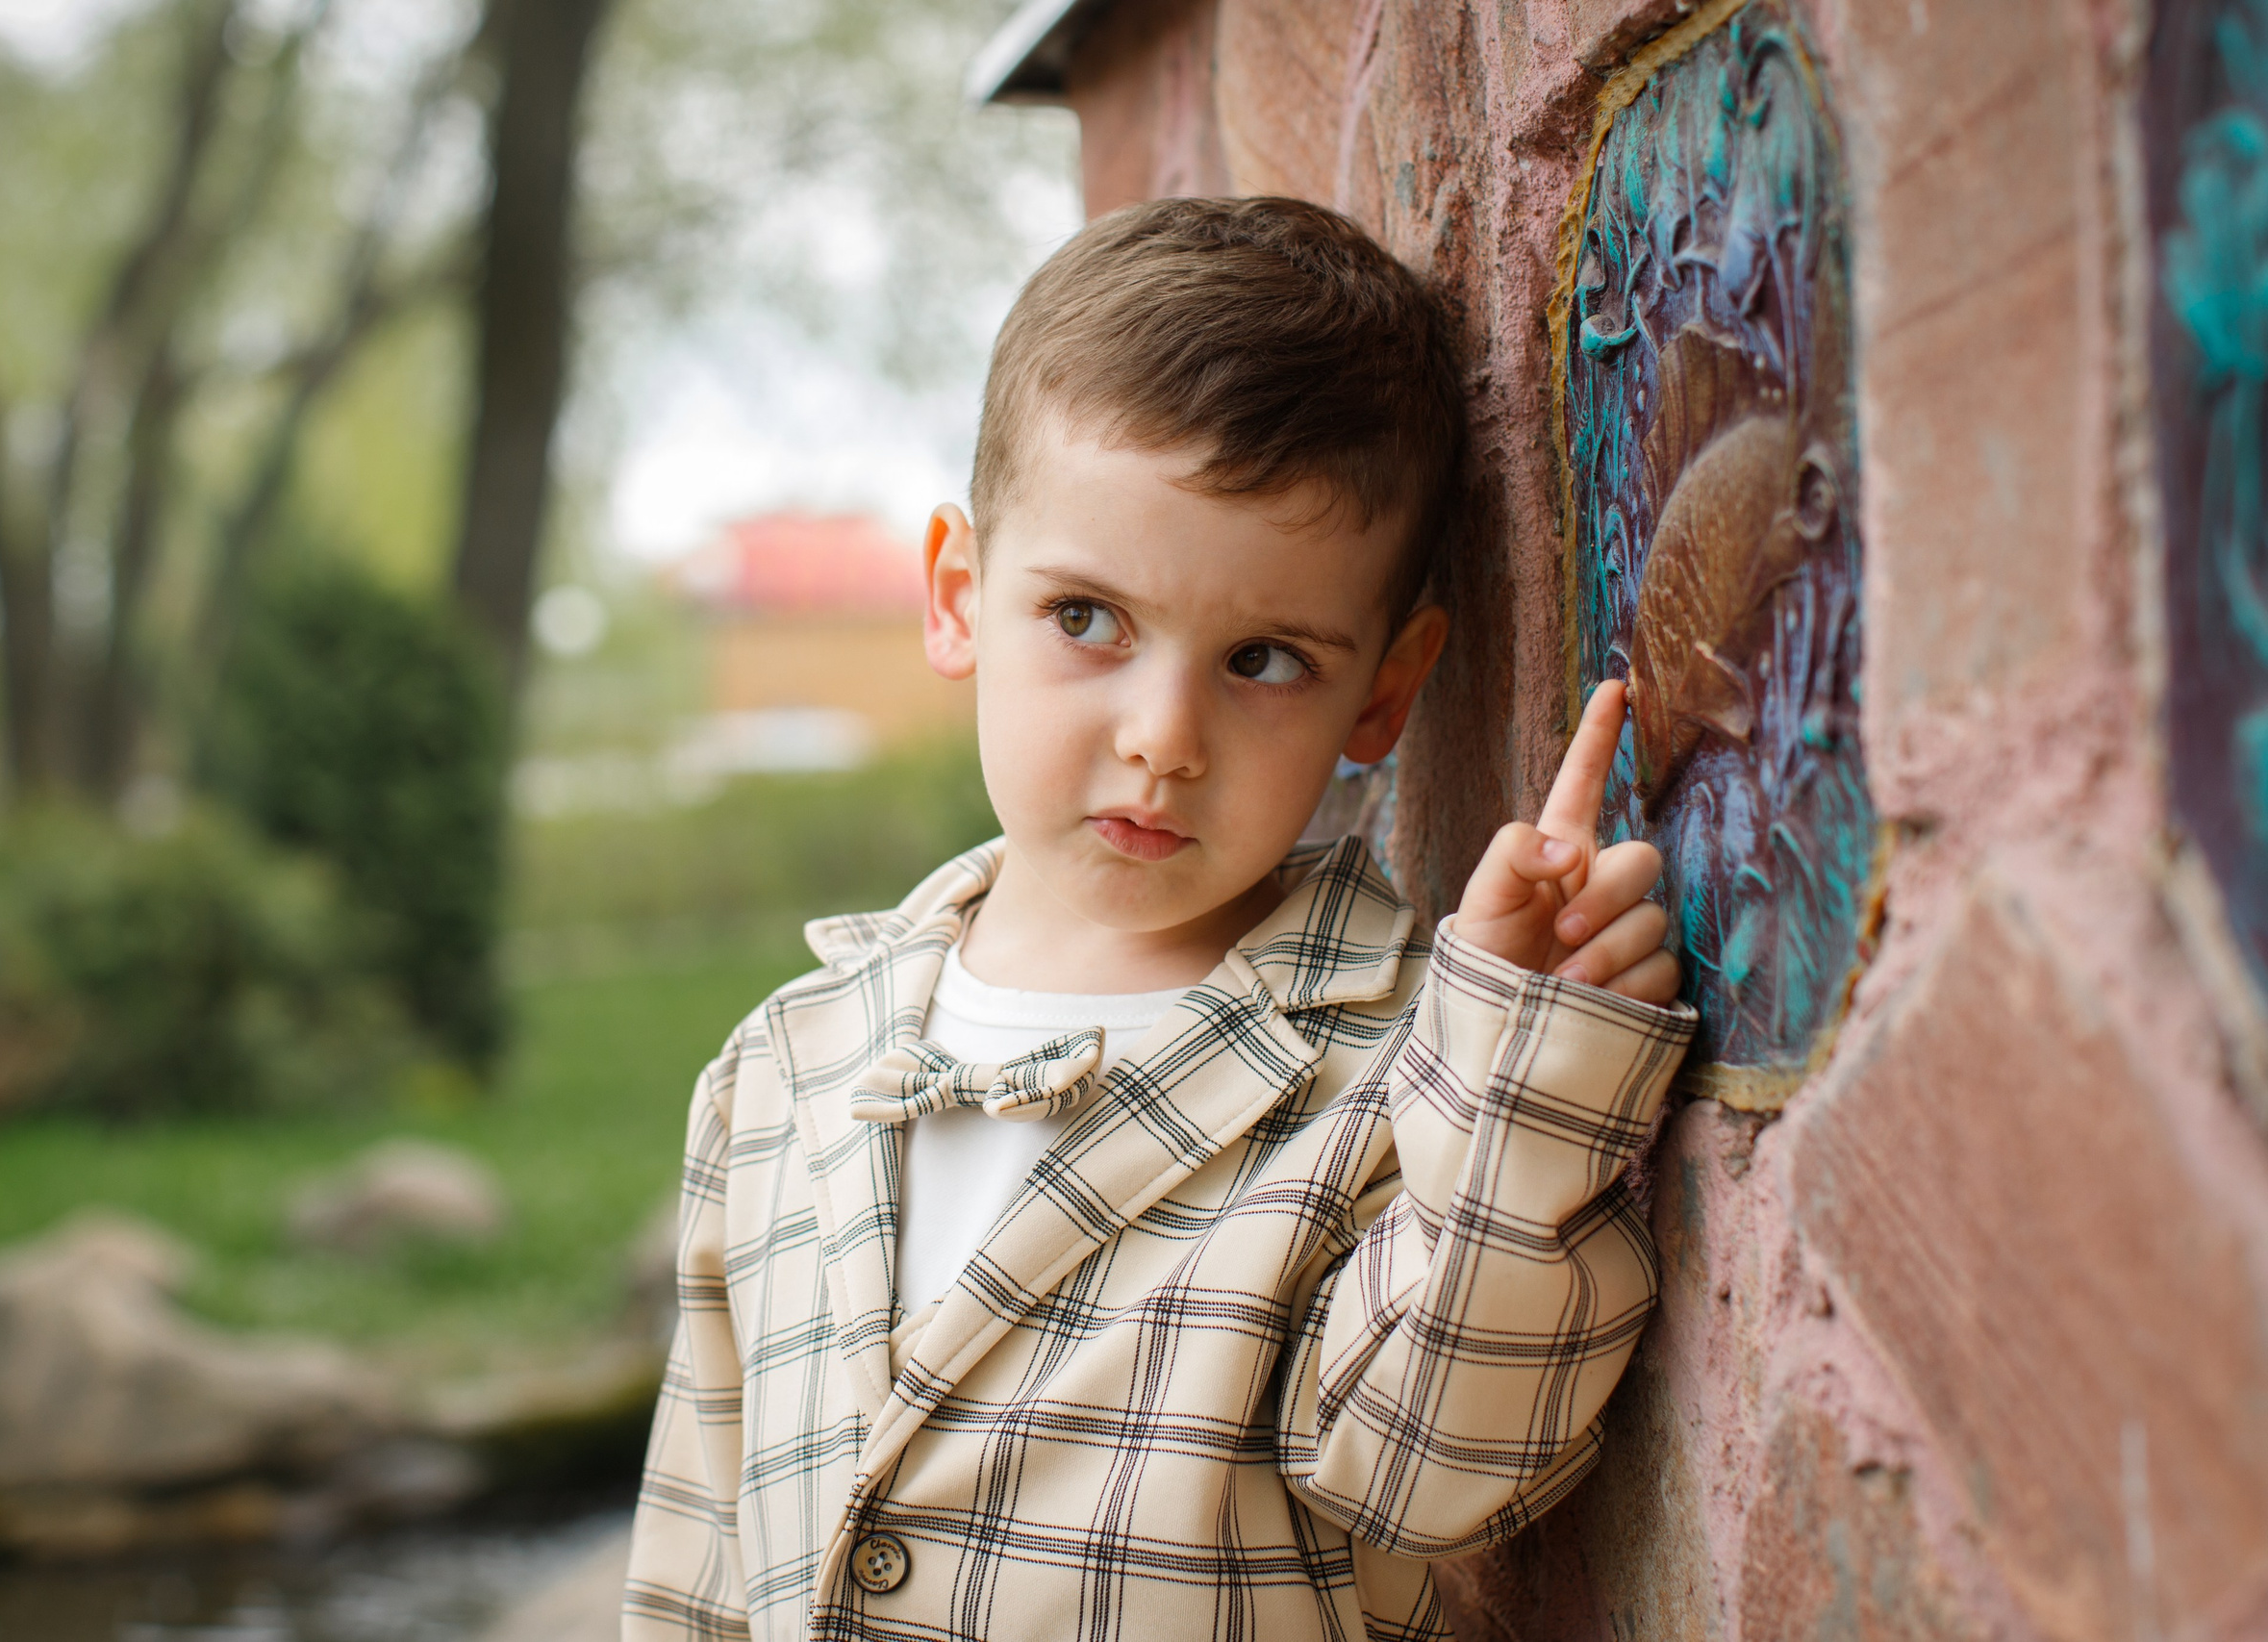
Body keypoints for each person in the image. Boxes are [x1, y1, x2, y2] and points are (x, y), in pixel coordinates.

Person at [621, 196, 1695, 1642]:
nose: (1161, 737)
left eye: (1262, 659)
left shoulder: (1404, 1075)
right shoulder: (781, 1071)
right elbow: (694, 1557)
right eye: (1085, 620)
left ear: (1384, 689)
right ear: (956, 596)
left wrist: (1521, 1085)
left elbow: (1437, 1477)